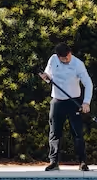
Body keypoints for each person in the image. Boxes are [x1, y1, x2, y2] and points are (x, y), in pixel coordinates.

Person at [39, 42, 93, 171]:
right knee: (54, 133)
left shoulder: (78, 64)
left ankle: (82, 162)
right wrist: (45, 78)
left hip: (74, 102)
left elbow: (88, 84)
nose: (65, 60)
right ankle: (54, 162)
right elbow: (48, 77)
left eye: (67, 57)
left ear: (70, 53)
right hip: (57, 101)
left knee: (77, 133)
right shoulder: (53, 59)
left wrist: (86, 102)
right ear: (58, 56)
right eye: (62, 58)